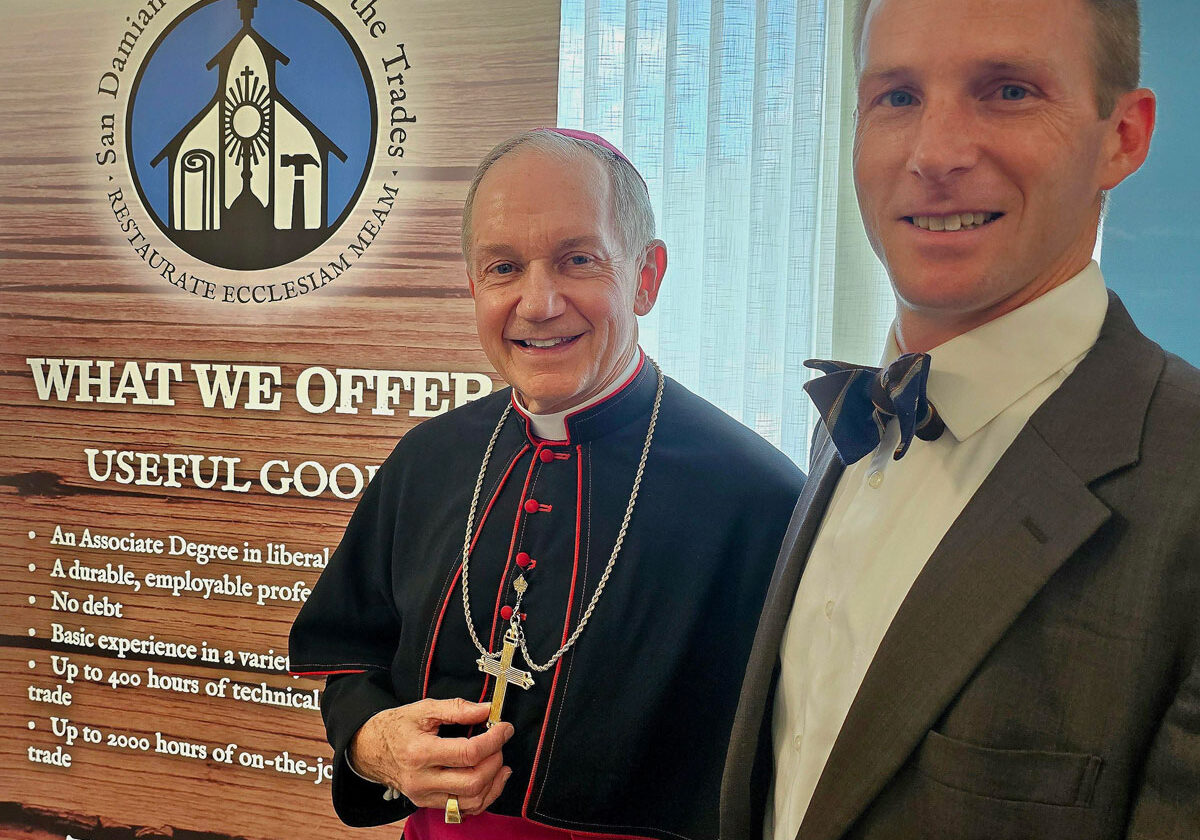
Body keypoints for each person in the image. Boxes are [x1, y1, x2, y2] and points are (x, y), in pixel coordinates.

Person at [721, 0, 1199, 838]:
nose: (934, 154)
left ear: (1122, 135)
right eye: (897, 97)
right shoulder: (849, 426)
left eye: (1008, 90)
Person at [289, 128, 805, 840]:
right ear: (473, 285)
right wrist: (376, 746)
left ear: (646, 277)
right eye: (503, 268)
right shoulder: (426, 461)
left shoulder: (760, 500)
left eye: (578, 260)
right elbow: (350, 661)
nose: (538, 302)